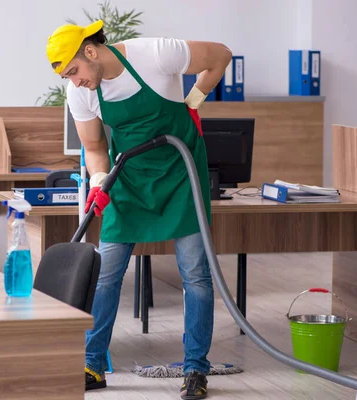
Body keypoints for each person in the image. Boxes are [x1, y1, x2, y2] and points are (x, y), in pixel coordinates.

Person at [45, 20, 232, 399]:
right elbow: (96, 148)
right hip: (127, 179)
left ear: (91, 52)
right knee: (105, 274)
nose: (75, 82)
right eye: (69, 77)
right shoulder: (79, 92)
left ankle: (196, 368)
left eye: (75, 71)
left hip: (181, 174)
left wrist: (194, 100)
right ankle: (91, 364)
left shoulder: (157, 53)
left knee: (195, 274)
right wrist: (99, 182)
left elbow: (221, 56)